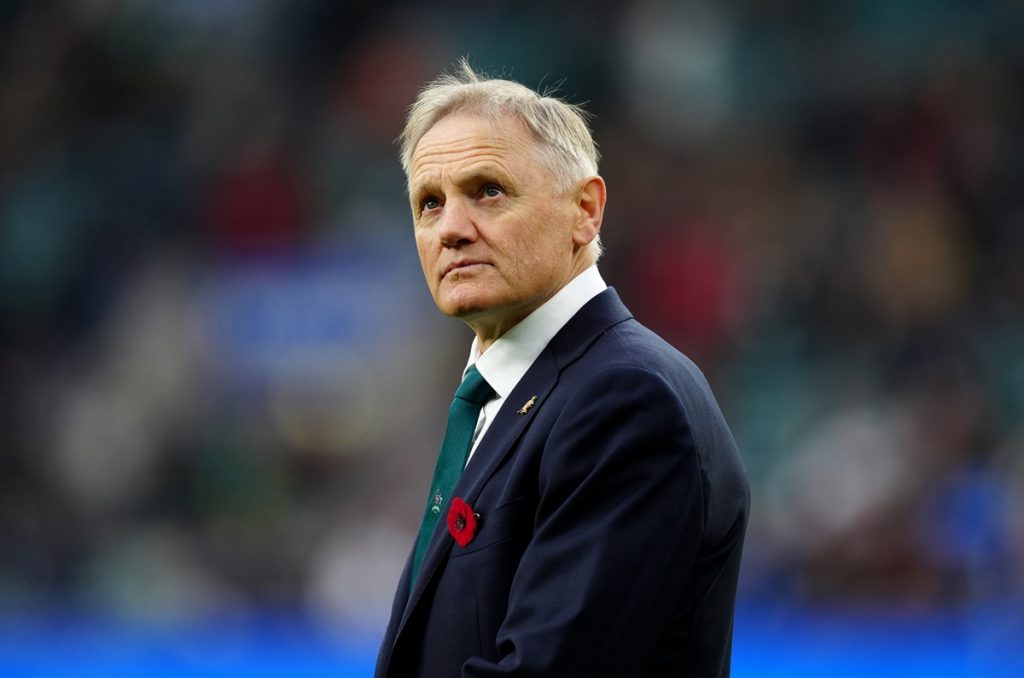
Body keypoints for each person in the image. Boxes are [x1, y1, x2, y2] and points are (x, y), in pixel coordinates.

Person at [376, 59, 750, 678]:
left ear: (586, 210)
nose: (451, 229)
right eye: (429, 203)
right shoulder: (512, 396)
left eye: (487, 191)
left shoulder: (626, 399)